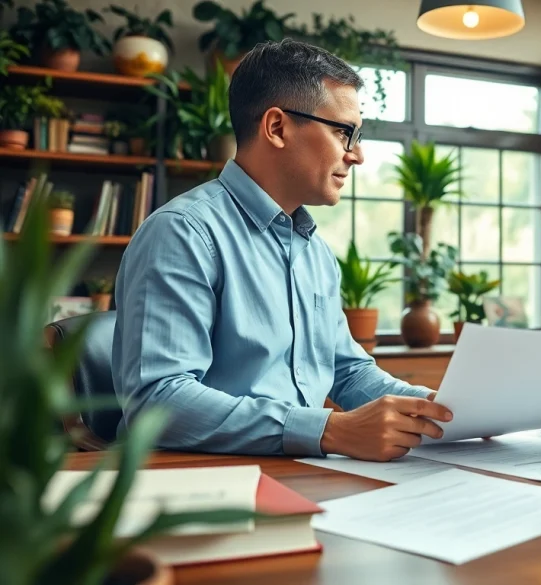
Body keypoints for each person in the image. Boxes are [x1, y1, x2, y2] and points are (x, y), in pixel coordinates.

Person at [112, 39, 452, 462]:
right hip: (206, 482)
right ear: (276, 128)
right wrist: (328, 430)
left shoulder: (315, 253)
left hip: (301, 470)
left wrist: (444, 408)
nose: (357, 155)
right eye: (343, 132)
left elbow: (348, 370)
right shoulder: (182, 233)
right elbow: (157, 399)